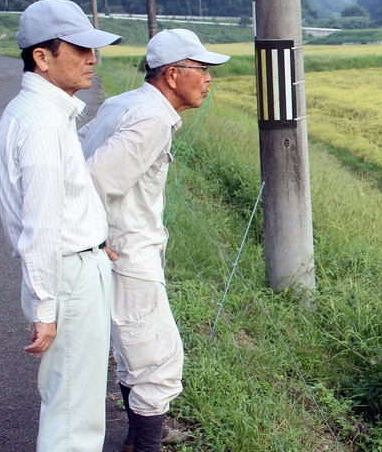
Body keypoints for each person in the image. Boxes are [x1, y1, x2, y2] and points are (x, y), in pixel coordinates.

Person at [79, 29, 229, 452]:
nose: (208, 79)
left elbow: (81, 152)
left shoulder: (124, 103)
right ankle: (145, 446)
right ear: (172, 74)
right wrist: (94, 236)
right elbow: (94, 179)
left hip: (122, 250)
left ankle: (138, 437)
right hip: (128, 254)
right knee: (159, 361)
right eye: (201, 69)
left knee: (134, 352)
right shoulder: (152, 119)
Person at [0, 0, 121, 451]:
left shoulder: (41, 114)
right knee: (72, 415)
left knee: (71, 400)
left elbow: (60, 206)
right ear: (42, 57)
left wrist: (94, 240)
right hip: (67, 278)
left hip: (73, 267)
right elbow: (41, 225)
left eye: (94, 50)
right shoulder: (44, 125)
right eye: (79, 49)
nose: (92, 59)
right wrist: (47, 308)